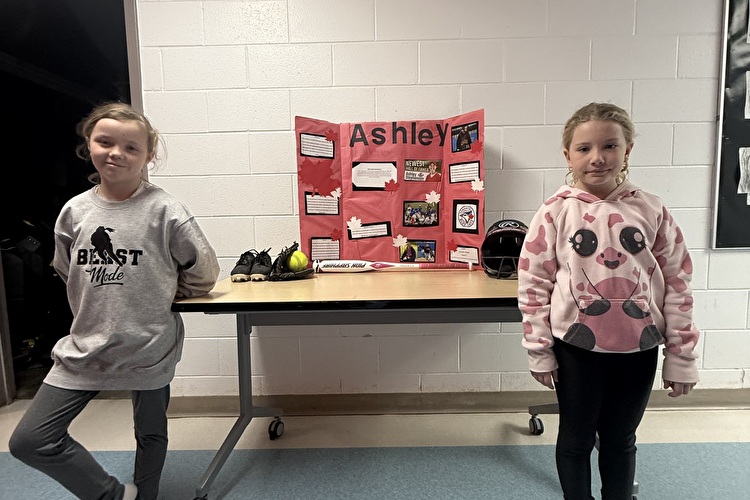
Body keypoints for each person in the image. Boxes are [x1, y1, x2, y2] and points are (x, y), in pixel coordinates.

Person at [9, 102, 220, 500]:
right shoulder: (74, 211)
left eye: (131, 147)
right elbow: (65, 269)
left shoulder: (166, 211)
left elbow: (204, 271)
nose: (116, 153)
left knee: (151, 433)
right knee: (31, 440)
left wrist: (172, 288)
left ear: (148, 155)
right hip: (86, 347)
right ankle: (114, 495)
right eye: (105, 142)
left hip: (148, 346)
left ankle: (146, 495)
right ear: (88, 144)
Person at [517, 102, 699, 500]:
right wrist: (539, 350)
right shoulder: (554, 212)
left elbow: (678, 283)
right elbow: (533, 284)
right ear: (568, 155)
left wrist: (681, 356)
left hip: (639, 347)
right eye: (584, 148)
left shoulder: (650, 209)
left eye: (609, 146)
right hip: (576, 348)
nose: (597, 158)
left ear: (627, 150)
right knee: (576, 440)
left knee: (620, 439)